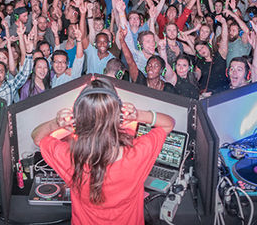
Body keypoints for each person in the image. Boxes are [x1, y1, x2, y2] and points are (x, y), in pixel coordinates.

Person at [31, 78, 175, 225]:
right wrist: (138, 115)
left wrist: (56, 123)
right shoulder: (137, 153)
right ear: (118, 116)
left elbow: (37, 137)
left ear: (78, 118)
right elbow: (168, 124)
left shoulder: (70, 157)